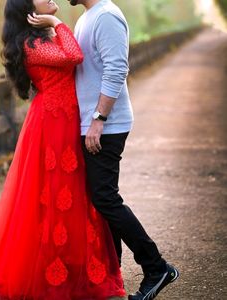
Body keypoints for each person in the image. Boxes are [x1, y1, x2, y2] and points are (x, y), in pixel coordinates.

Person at [0, 0, 126, 299]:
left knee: (75, 192)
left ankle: (74, 264)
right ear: (29, 9)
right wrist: (55, 24)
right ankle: (52, 270)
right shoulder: (32, 44)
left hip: (66, 118)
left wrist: (55, 28)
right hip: (53, 123)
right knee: (55, 194)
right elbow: (75, 56)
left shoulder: (43, 39)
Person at [68, 0, 180, 299]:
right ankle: (111, 272)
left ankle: (156, 267)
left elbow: (117, 68)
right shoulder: (87, 17)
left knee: (105, 197)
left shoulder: (106, 16)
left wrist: (98, 119)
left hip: (106, 124)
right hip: (93, 124)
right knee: (101, 198)